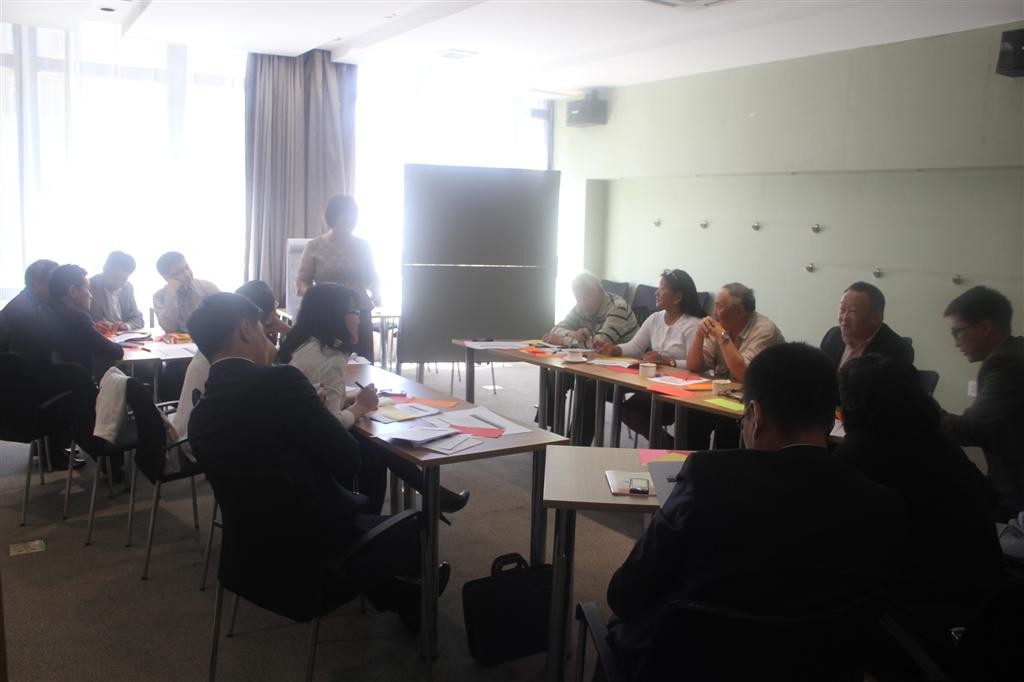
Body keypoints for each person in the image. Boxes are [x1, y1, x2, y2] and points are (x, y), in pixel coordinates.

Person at [605, 343, 908, 673]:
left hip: (695, 665)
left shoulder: (707, 477)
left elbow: (626, 594)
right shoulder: (883, 506)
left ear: (756, 415)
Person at [186, 293, 439, 627]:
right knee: (415, 525)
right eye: (263, 329)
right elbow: (348, 461)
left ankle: (402, 596)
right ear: (245, 329)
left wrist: (310, 416)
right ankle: (415, 604)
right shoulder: (281, 382)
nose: (269, 338)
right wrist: (317, 417)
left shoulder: (200, 416)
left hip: (247, 558)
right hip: (315, 554)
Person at [837, 356, 1001, 660]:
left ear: (852, 402)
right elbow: (991, 499)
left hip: (921, 619)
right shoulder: (942, 445)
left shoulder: (861, 454)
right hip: (986, 606)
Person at [276, 283, 469, 515]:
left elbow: (312, 401)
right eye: (355, 312)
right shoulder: (329, 358)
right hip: (312, 454)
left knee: (375, 442)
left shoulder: (304, 345)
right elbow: (332, 426)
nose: (359, 319)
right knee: (376, 444)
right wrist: (361, 406)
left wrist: (347, 399)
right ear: (334, 315)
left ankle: (432, 493)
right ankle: (381, 517)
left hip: (289, 446)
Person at [940, 286, 1024, 517]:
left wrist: (924, 407)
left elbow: (971, 429)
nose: (956, 343)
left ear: (986, 328)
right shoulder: (1015, 351)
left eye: (957, 332)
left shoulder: (1005, 363)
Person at [594, 269, 704, 443]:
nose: (656, 292)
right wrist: (615, 349)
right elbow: (635, 347)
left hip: (681, 388)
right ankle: (668, 445)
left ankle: (669, 446)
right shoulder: (655, 318)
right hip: (655, 383)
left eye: (662, 288)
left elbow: (697, 366)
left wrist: (668, 362)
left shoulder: (693, 325)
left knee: (634, 411)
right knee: (624, 409)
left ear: (677, 297)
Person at [173, 281, 290, 436]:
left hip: (188, 437)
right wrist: (289, 331)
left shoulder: (217, 345)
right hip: (200, 443)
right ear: (246, 327)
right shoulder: (237, 358)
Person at [685, 282, 785, 448]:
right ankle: (691, 461)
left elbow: (744, 375)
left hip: (762, 405)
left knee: (729, 426)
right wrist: (699, 335)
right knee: (693, 414)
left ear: (739, 311)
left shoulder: (764, 330)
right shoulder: (721, 326)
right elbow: (694, 367)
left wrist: (722, 337)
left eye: (719, 307)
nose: (714, 312)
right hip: (727, 397)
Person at [296, 195, 380, 362]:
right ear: (333, 217)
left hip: (359, 311)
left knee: (361, 363)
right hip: (328, 313)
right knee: (328, 362)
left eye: (354, 216)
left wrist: (376, 293)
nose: (351, 220)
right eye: (346, 215)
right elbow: (302, 281)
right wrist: (314, 296)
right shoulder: (314, 246)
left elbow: (372, 278)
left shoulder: (363, 246)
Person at [48, 264, 124, 377]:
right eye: (88, 289)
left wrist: (93, 329)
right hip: (77, 383)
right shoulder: (78, 319)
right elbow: (114, 352)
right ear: (73, 291)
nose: (91, 295)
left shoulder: (43, 312)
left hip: (47, 383)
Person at [820, 281, 913, 370]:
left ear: (876, 317)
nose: (844, 318)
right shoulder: (833, 335)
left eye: (853, 311)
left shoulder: (897, 350)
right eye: (842, 309)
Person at [543, 272, 638, 349]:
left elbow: (599, 344)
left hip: (626, 362)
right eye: (578, 299)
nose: (582, 304)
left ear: (600, 292)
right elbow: (555, 330)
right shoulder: (580, 305)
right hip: (598, 360)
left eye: (586, 298)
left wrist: (562, 340)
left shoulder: (618, 308)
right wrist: (572, 334)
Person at [152, 251, 219, 333]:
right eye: (179, 272)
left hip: (208, 337)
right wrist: (171, 295)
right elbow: (169, 327)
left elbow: (225, 316)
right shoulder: (159, 297)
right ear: (166, 278)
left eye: (187, 267)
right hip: (179, 340)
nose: (187, 274)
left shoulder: (207, 287)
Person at [0, 259, 58, 349]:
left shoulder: (30, 300)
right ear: (38, 284)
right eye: (55, 282)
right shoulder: (25, 312)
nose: (60, 287)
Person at [89, 251, 145, 332]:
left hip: (123, 337)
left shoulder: (127, 287)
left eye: (123, 279)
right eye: (115, 278)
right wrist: (94, 326)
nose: (118, 284)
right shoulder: (89, 287)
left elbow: (139, 319)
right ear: (105, 269)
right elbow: (78, 321)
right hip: (99, 337)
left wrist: (126, 325)